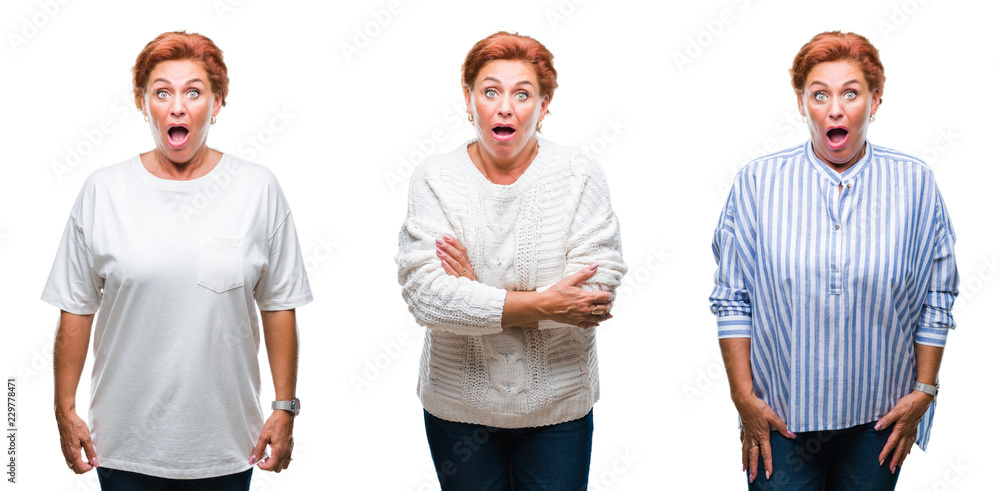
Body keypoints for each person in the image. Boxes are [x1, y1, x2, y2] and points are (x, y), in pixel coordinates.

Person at [42, 31, 312, 489]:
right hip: (124, 445)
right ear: (142, 102)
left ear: (218, 101)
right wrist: (63, 409)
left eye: (194, 91)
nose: (177, 106)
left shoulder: (257, 189)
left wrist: (284, 408)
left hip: (225, 446)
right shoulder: (103, 191)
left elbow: (279, 306)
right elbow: (76, 307)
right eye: (161, 92)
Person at [710, 31, 959, 490]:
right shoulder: (757, 183)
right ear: (801, 103)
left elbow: (937, 297)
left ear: (875, 100)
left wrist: (924, 391)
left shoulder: (915, 184)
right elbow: (732, 300)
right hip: (780, 418)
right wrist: (743, 397)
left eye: (851, 92)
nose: (835, 109)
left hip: (878, 421)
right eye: (819, 94)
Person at [395, 31, 627, 490]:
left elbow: (593, 299)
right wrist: (544, 302)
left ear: (544, 104)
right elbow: (426, 298)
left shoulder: (579, 175)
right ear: (469, 99)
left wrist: (475, 287)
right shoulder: (436, 178)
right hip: (458, 408)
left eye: (523, 94)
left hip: (557, 409)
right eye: (491, 91)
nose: (506, 107)